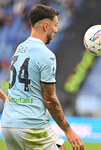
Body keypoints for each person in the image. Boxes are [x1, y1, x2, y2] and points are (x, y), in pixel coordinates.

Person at [1, 4, 84, 150]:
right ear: (46, 25)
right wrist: (68, 130)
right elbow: (50, 98)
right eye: (55, 25)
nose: (56, 30)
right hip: (30, 126)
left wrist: (8, 100)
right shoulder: (46, 55)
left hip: (8, 125)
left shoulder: (20, 49)